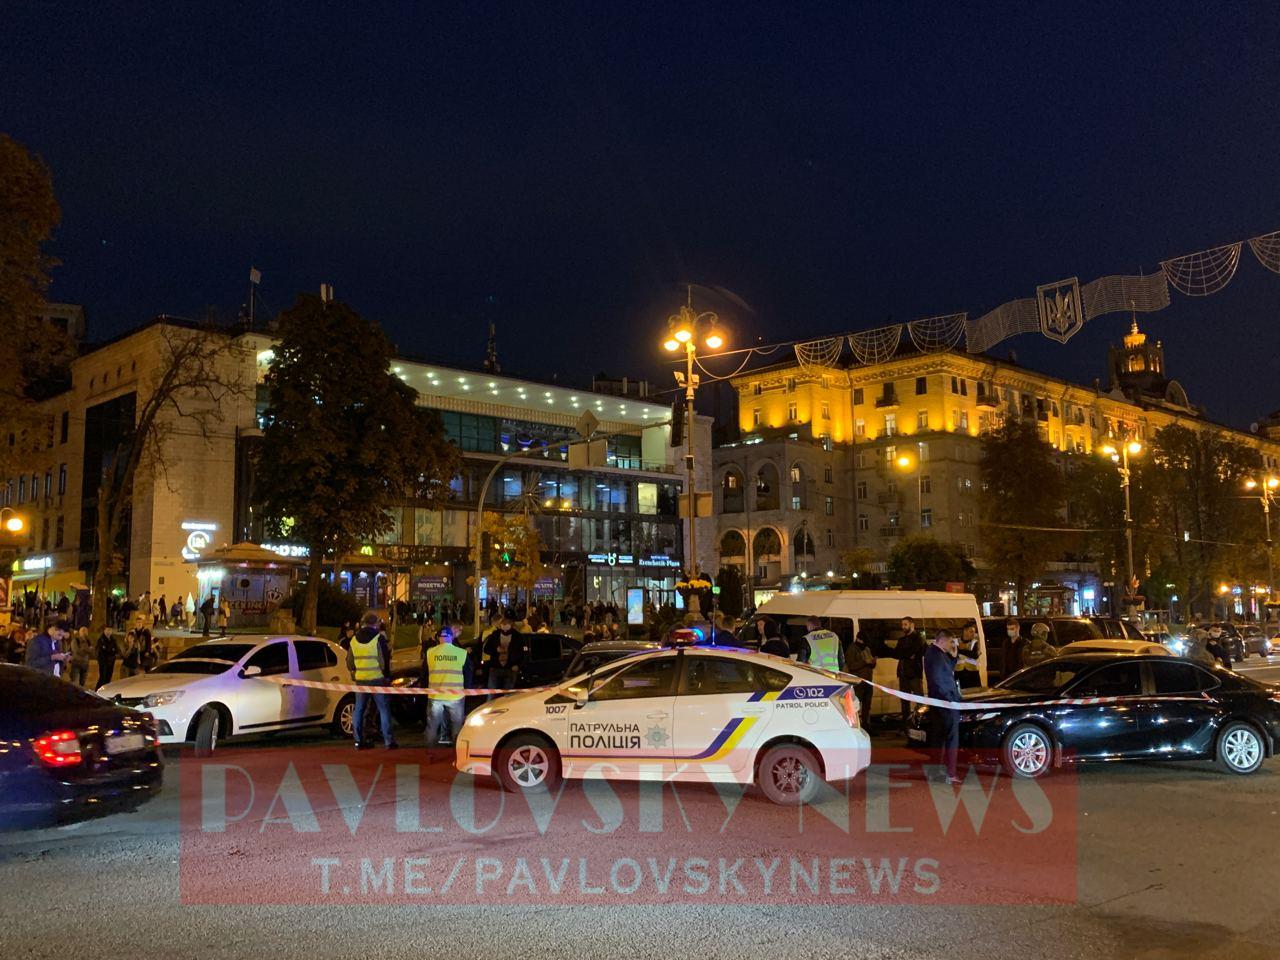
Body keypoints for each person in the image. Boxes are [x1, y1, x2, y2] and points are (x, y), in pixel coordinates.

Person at [346, 613, 397, 750]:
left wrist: (355, 671)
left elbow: (349, 662)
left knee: (359, 709)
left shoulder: (354, 640)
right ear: (375, 624)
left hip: (361, 680)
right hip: (377, 678)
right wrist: (386, 676)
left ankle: (358, 740)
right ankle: (388, 741)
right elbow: (383, 661)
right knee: (383, 710)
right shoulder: (378, 638)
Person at [924, 627, 964, 784]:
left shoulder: (937, 653)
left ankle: (936, 773)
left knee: (938, 738)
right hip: (946, 703)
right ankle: (951, 773)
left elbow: (948, 670)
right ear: (944, 640)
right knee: (951, 738)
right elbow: (940, 680)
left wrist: (954, 657)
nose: (952, 645)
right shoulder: (936, 656)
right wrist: (951, 700)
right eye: (951, 642)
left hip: (939, 701)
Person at [425, 624, 471, 750]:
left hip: (435, 696)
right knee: (457, 726)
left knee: (432, 726)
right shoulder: (461, 653)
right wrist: (467, 690)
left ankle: (430, 752)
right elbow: (468, 673)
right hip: (456, 696)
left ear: (438, 638)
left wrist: (425, 690)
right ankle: (458, 753)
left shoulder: (430, 653)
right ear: (451, 638)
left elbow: (424, 674)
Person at [894, 616, 925, 728]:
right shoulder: (901, 640)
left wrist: (906, 653)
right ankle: (906, 726)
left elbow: (911, 652)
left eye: (905, 624)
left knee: (919, 700)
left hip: (914, 674)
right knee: (904, 703)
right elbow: (898, 654)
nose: (903, 627)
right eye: (902, 625)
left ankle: (921, 724)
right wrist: (906, 654)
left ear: (912, 624)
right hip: (902, 674)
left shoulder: (918, 638)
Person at [481, 616, 526, 692]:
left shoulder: (518, 637)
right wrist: (496, 649)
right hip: (496, 667)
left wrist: (518, 665)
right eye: (503, 630)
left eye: (507, 630)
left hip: (510, 668)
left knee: (507, 695)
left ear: (511, 627)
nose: (505, 632)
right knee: (492, 692)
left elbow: (523, 653)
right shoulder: (495, 635)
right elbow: (486, 649)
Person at [845, 630, 877, 727]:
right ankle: (856, 726)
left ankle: (867, 725)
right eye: (863, 641)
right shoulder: (851, 649)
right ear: (858, 639)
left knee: (867, 706)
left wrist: (873, 662)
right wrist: (865, 662)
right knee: (856, 706)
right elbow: (851, 666)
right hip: (858, 683)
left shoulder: (866, 648)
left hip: (868, 682)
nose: (865, 643)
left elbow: (870, 663)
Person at [955, 622, 982, 689]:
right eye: (971, 632)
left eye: (974, 632)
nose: (973, 634)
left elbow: (975, 655)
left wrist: (960, 650)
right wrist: (966, 650)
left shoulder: (975, 642)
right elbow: (954, 654)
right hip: (959, 673)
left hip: (972, 673)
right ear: (965, 631)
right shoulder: (956, 641)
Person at [95, 625, 119, 689]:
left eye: (110, 630)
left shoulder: (113, 640)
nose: (109, 632)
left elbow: (116, 650)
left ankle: (105, 692)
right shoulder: (101, 640)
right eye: (107, 630)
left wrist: (112, 652)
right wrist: (111, 651)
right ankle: (97, 691)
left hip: (111, 661)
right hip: (103, 662)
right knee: (102, 678)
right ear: (104, 631)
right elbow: (102, 651)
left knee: (108, 678)